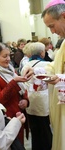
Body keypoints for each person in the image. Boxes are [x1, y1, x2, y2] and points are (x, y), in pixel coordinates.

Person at [0, 43, 33, 144]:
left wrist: (25, 100)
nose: (8, 59)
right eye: (4, 56)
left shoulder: (10, 69)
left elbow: (22, 88)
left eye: (9, 55)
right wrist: (14, 82)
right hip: (7, 117)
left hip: (18, 113)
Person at [41, 0, 65, 149]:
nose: (52, 32)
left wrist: (61, 79)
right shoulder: (63, 43)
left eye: (52, 26)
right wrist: (40, 72)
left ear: (63, 16)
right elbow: (55, 66)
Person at [21, 42, 52, 150]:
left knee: (34, 129)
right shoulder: (47, 65)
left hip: (30, 100)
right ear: (42, 52)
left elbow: (23, 83)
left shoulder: (26, 65)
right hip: (44, 101)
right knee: (45, 128)